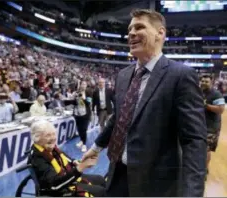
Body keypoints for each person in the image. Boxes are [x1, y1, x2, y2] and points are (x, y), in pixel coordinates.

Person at [82, 9, 207, 197]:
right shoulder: (123, 76)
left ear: (160, 33)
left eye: (139, 27)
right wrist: (96, 147)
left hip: (155, 185)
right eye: (129, 29)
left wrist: (192, 193)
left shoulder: (181, 76)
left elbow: (194, 141)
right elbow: (119, 118)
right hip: (117, 174)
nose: (131, 33)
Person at [29, 120, 106, 197]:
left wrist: (76, 162)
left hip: (66, 177)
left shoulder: (52, 149)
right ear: (37, 138)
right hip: (58, 189)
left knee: (101, 179)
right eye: (48, 135)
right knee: (100, 191)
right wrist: (80, 168)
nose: (53, 138)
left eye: (53, 134)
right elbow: (55, 186)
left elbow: (66, 158)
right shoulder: (38, 158)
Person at [200, 75, 225, 179]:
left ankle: (204, 170)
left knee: (206, 150)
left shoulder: (216, 94)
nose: (204, 83)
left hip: (211, 127)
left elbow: (221, 109)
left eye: (206, 81)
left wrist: (206, 105)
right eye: (202, 81)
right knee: (199, 149)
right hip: (199, 125)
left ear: (212, 82)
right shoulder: (199, 92)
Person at [73, 81, 92, 152]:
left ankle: (84, 144)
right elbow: (75, 103)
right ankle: (81, 140)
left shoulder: (88, 93)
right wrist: (74, 97)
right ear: (80, 85)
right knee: (79, 129)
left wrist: (83, 98)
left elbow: (88, 103)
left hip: (85, 114)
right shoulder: (77, 92)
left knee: (84, 129)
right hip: (77, 113)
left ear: (86, 86)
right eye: (82, 84)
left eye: (85, 84)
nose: (83, 85)